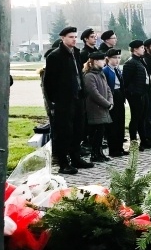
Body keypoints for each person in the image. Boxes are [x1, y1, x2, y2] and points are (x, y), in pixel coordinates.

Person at [43, 27, 93, 174]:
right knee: (64, 132)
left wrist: (82, 92)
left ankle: (75, 157)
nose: (74, 39)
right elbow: (49, 82)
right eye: (71, 37)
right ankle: (63, 163)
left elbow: (79, 75)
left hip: (78, 97)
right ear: (63, 38)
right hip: (64, 100)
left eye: (75, 37)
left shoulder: (75, 53)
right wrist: (55, 100)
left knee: (78, 129)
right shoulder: (55, 56)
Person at [123, 39, 151, 149]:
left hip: (144, 93)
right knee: (135, 118)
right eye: (142, 48)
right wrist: (131, 94)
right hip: (135, 95)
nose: (144, 50)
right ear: (135, 50)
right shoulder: (130, 63)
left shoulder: (141, 61)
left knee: (142, 118)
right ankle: (133, 142)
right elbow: (126, 82)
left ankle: (144, 140)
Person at [83, 51, 113, 164]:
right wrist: (107, 104)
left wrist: (110, 101)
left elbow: (108, 89)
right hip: (95, 108)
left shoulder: (101, 73)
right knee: (95, 133)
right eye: (101, 60)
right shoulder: (89, 75)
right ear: (95, 61)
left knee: (101, 132)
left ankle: (99, 153)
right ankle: (94, 154)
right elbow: (94, 93)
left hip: (103, 108)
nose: (103, 62)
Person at [102, 48, 128, 156]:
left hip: (119, 95)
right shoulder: (106, 70)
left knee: (120, 122)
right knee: (113, 124)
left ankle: (120, 146)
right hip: (111, 96)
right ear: (108, 59)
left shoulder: (117, 69)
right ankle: (113, 149)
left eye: (118, 58)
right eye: (114, 58)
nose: (117, 60)